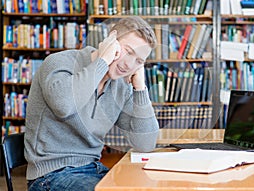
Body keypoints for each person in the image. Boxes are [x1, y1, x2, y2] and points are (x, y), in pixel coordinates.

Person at [24, 16, 160, 191]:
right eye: (128, 51)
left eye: (138, 61)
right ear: (111, 39)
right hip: (50, 175)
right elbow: (64, 106)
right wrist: (103, 61)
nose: (128, 64)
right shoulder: (60, 62)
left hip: (93, 169)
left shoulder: (120, 86)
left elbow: (145, 143)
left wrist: (140, 87)